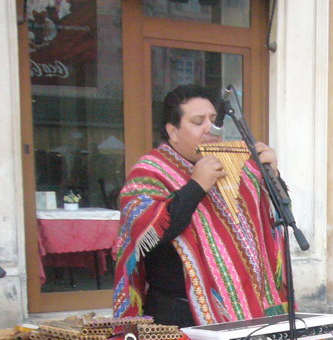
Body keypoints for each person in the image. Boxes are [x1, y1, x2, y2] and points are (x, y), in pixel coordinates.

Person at [114, 84, 287, 326]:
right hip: (180, 313)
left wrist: (273, 175)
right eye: (198, 122)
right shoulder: (148, 172)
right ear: (172, 131)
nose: (211, 129)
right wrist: (196, 186)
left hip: (248, 307)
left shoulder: (238, 166)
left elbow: (273, 217)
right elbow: (149, 236)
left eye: (214, 120)